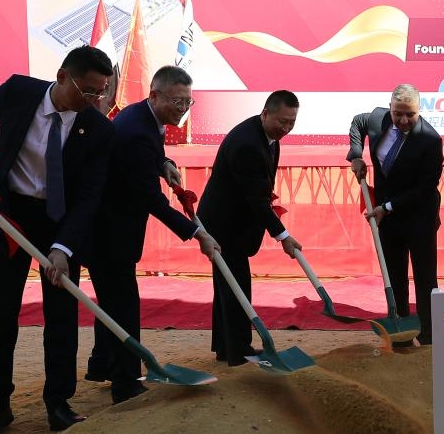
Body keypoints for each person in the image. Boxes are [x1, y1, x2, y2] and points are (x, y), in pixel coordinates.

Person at [0, 46, 115, 434]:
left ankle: (58, 402)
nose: (94, 100)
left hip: (59, 222)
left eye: (101, 92)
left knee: (61, 315)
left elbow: (90, 195)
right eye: (88, 90)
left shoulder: (98, 128)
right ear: (62, 76)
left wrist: (63, 247)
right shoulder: (18, 92)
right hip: (8, 215)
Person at [84, 66, 220, 402]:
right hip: (108, 231)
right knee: (124, 304)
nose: (183, 110)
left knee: (113, 300)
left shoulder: (145, 119)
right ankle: (125, 382)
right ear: (155, 95)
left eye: (188, 103)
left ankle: (102, 364)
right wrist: (196, 233)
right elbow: (151, 200)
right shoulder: (135, 131)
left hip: (114, 226)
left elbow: (149, 154)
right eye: (177, 102)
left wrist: (164, 163)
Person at [197, 91, 302, 365]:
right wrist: (284, 236)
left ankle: (227, 346)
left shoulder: (269, 138)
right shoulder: (248, 144)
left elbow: (260, 191)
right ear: (265, 113)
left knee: (228, 284)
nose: (286, 129)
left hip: (234, 218)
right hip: (223, 222)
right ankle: (238, 351)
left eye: (292, 123)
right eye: (282, 121)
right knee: (235, 286)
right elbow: (257, 200)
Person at [347, 84, 443, 346]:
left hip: (419, 216)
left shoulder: (430, 140)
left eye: (409, 115)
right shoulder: (378, 118)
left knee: (425, 278)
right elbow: (357, 123)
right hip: (388, 219)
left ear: (419, 111)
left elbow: (425, 189)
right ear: (390, 108)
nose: (403, 121)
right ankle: (401, 332)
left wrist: (386, 207)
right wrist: (356, 155)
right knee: (394, 275)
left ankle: (428, 336)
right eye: (398, 114)